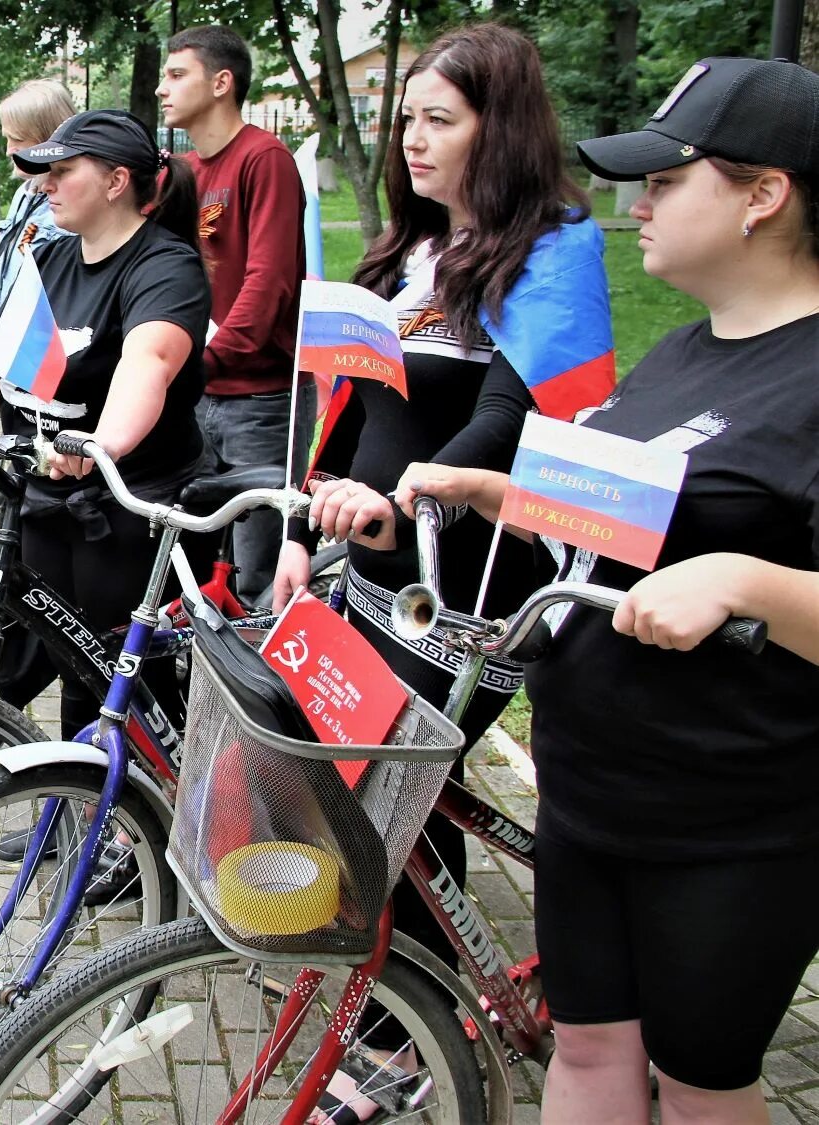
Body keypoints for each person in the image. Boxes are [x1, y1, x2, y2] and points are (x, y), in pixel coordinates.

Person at [398, 56, 819, 1125]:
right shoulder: (684, 350)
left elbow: (735, 566)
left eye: (670, 182)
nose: (639, 205)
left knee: (699, 1086)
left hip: (729, 822)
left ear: (765, 194)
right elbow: (623, 519)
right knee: (586, 1052)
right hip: (591, 791)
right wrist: (501, 493)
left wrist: (742, 578)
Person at [262, 25, 615, 1122]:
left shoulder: (553, 247)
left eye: (440, 120)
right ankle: (404, 1005)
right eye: (406, 117)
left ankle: (403, 1054)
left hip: (469, 588)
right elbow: (352, 400)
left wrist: (411, 488)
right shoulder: (409, 249)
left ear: (497, 128)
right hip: (367, 569)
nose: (413, 140)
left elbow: (515, 413)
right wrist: (298, 530)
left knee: (394, 808)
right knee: (366, 800)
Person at [0, 108, 207, 746]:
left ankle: (139, 820)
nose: (44, 184)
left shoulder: (165, 266)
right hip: (50, 493)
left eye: (62, 170)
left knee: (126, 674)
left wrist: (102, 444)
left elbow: (148, 360)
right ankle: (85, 815)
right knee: (76, 663)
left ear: (115, 182)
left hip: (131, 500)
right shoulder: (48, 257)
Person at [158, 25, 309, 604]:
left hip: (259, 400)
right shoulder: (187, 170)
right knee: (193, 571)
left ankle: (263, 689)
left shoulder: (263, 158)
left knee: (256, 577)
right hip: (196, 393)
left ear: (222, 83)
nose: (162, 91)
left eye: (178, 75)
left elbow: (267, 283)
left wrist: (204, 361)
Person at [0, 80, 74, 317]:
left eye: (17, 139)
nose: (8, 150)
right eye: (7, 138)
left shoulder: (69, 203)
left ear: (47, 139)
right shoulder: (25, 193)